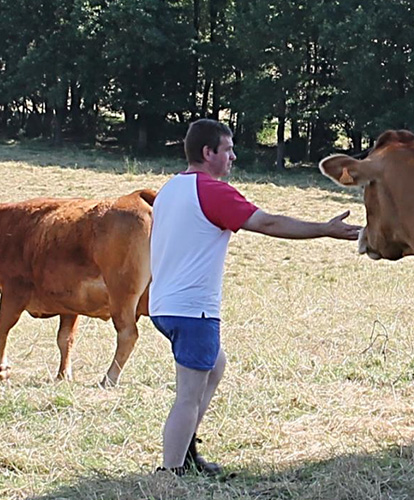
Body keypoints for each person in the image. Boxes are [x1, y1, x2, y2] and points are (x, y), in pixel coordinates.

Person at [150, 118, 361, 476]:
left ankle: (185, 452)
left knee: (214, 366)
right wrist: (324, 230)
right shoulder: (212, 191)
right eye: (228, 150)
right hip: (193, 311)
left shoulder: (171, 188)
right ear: (208, 153)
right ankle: (171, 474)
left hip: (164, 304)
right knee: (188, 393)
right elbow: (268, 223)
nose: (233, 157)